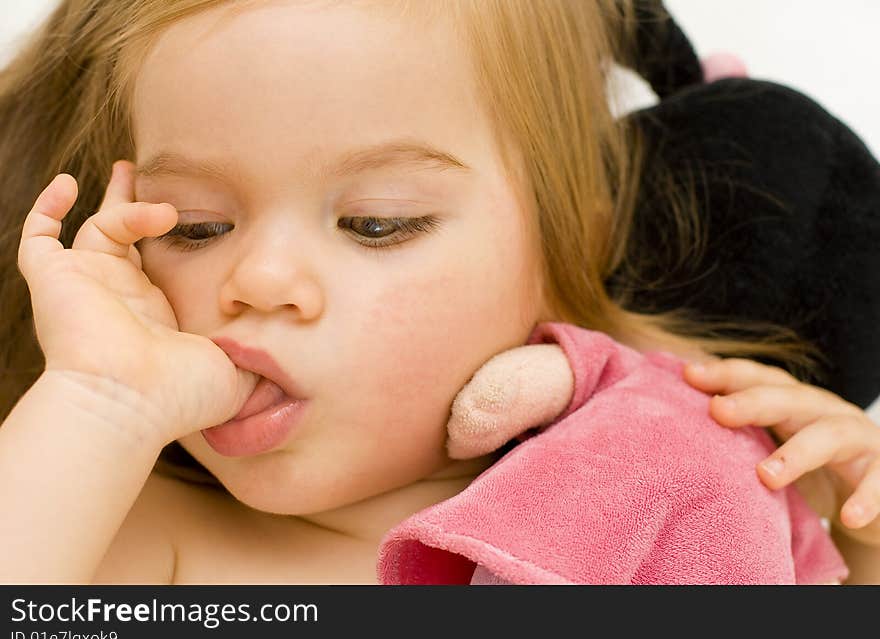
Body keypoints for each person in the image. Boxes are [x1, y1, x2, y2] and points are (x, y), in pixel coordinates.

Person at [0, 0, 877, 583]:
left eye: (377, 223)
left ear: (576, 237)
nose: (258, 281)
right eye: (195, 225)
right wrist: (102, 401)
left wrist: (864, 543)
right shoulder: (146, 541)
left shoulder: (689, 499)